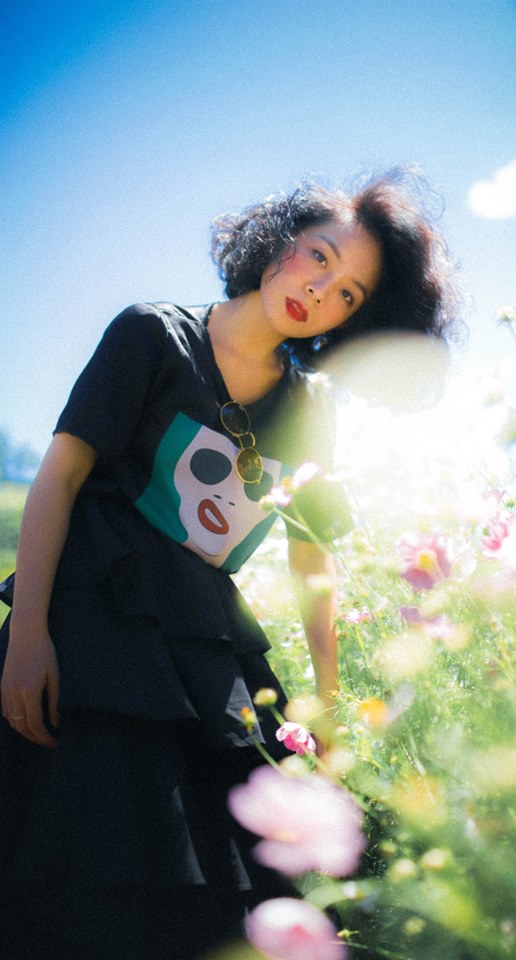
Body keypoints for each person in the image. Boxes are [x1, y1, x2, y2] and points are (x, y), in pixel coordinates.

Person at [0, 167, 460, 960]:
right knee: (80, 853)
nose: (320, 291)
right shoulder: (151, 335)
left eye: (349, 293)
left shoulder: (309, 406)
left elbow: (312, 560)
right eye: (319, 257)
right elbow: (60, 477)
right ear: (278, 241)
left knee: (233, 872)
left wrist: (326, 706)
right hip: (96, 627)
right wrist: (29, 631)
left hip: (206, 644)